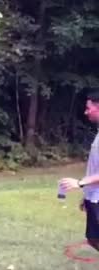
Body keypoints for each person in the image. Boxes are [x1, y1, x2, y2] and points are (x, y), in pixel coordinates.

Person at [60, 89, 99, 251]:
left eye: (89, 107)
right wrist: (87, 194)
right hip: (94, 196)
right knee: (93, 239)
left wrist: (80, 183)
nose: (85, 111)